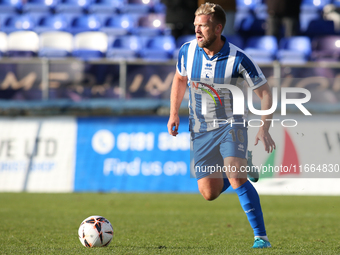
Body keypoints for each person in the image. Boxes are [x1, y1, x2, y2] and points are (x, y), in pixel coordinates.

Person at [167, 2, 275, 249]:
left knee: (235, 177)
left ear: (217, 28)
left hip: (231, 124)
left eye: (202, 27)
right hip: (201, 129)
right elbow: (180, 78)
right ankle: (243, 170)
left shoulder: (239, 58)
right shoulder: (187, 51)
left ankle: (261, 238)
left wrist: (264, 126)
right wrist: (174, 113)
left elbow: (265, 93)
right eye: (195, 26)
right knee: (209, 193)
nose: (197, 31)